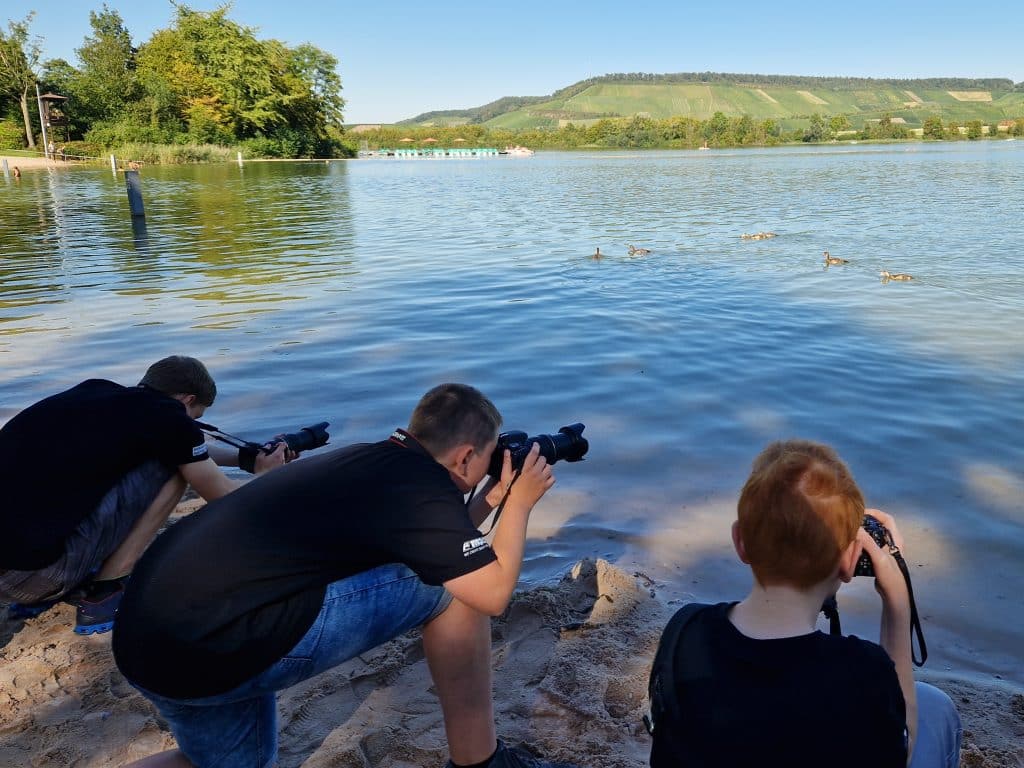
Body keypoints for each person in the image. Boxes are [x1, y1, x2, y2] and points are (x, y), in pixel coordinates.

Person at [112, 383, 577, 768]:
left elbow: (434, 540)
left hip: (151, 646)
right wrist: (519, 504)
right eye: (490, 457)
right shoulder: (418, 491)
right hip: (220, 645)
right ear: (466, 456)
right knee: (455, 595)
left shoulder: (370, 462)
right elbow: (490, 593)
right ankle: (481, 761)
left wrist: (490, 500)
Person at [648, 439, 961, 768]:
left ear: (740, 542)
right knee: (936, 709)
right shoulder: (863, 672)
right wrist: (897, 607)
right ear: (851, 560)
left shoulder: (685, 629)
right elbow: (903, 748)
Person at [0, 356, 287, 634]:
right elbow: (225, 499)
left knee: (167, 456)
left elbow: (175, 442)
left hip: (8, 572)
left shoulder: (96, 392)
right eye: (196, 416)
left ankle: (84, 575)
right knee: (175, 465)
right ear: (187, 399)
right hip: (31, 579)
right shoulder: (167, 419)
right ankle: (107, 589)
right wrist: (268, 475)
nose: (192, 422)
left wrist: (246, 459)